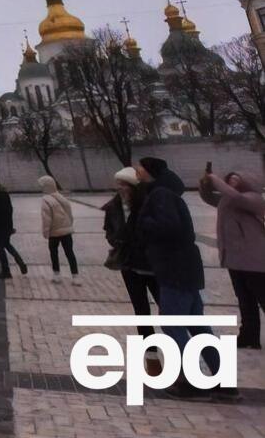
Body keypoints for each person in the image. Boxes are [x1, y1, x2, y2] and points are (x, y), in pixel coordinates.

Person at [135, 156, 225, 398]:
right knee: (198, 325)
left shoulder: (160, 194)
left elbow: (168, 227)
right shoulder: (167, 192)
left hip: (174, 268)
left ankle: (191, 380)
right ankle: (223, 380)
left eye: (140, 167)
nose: (137, 171)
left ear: (149, 171)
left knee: (173, 325)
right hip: (185, 267)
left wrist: (142, 221)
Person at [199, 169, 265, 350]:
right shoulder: (226, 200)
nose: (232, 180)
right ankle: (249, 336)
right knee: (245, 300)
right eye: (230, 178)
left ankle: (249, 335)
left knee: (262, 297)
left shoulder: (254, 198)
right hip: (234, 259)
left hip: (254, 260)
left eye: (236, 177)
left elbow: (237, 198)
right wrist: (205, 184)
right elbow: (207, 197)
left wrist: (215, 179)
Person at [104, 167, 159, 315]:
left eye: (124, 184)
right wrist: (116, 241)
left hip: (151, 264)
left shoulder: (147, 206)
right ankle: (146, 338)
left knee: (164, 305)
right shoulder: (113, 207)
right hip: (128, 263)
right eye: (118, 184)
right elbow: (108, 229)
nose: (120, 188)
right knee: (140, 309)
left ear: (134, 187)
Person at [0, 174, 26, 279]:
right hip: (6, 224)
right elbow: (10, 209)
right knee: (7, 244)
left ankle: (6, 271)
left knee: (0, 248)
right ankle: (20, 262)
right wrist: (10, 226)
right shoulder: (3, 191)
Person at [38, 176, 79, 284]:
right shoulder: (62, 197)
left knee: (54, 253)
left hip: (54, 232)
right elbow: (70, 214)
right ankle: (75, 276)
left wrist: (45, 232)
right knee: (70, 253)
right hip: (66, 231)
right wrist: (69, 225)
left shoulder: (46, 200)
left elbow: (46, 218)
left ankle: (57, 275)